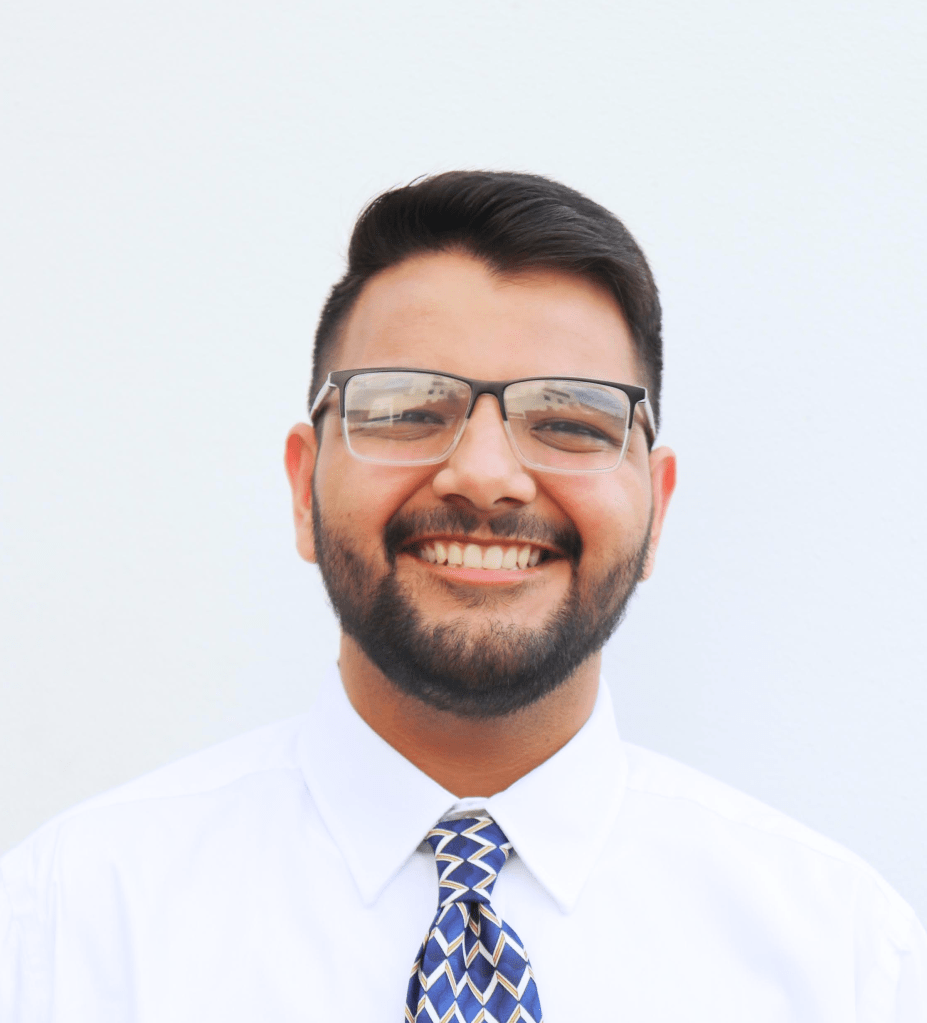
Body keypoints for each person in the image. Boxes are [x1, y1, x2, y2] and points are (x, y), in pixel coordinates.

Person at [1, 171, 924, 1022]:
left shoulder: (846, 960)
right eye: (407, 411)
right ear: (302, 484)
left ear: (657, 506)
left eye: (568, 420)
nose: (485, 476)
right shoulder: (66, 927)